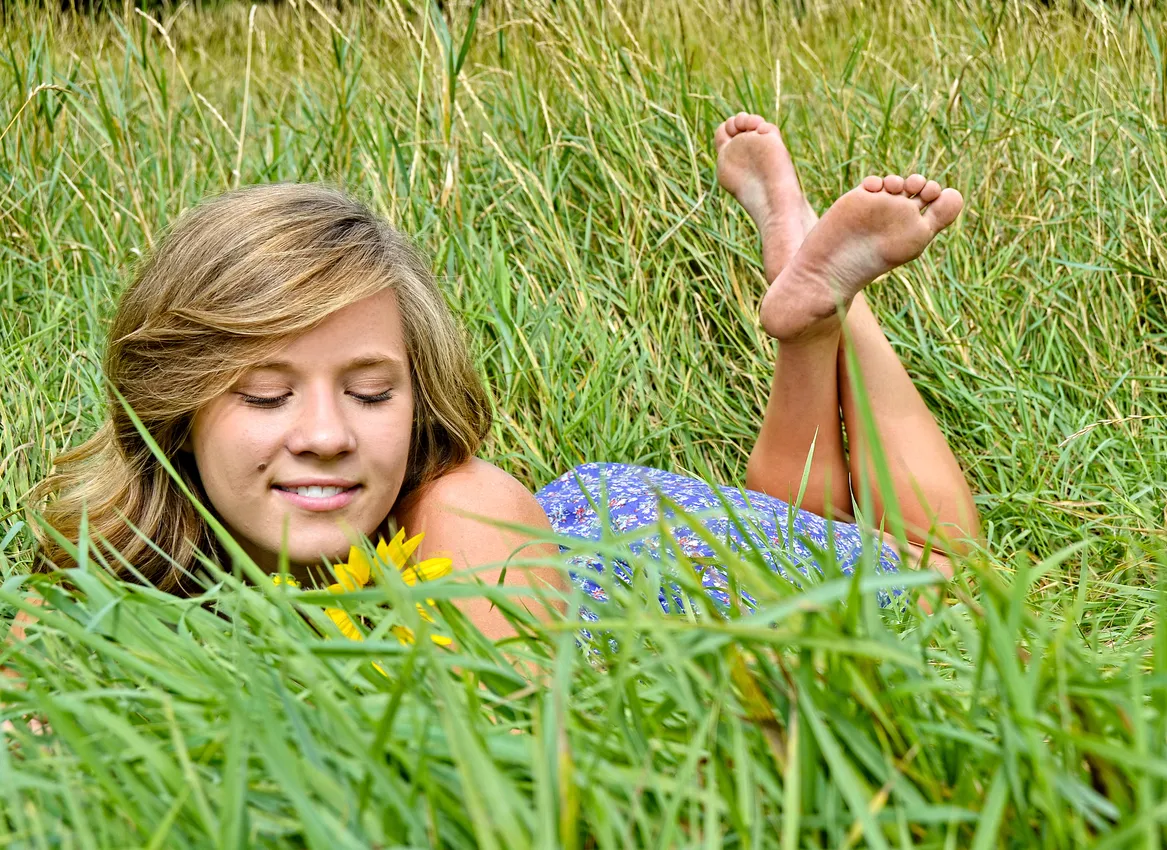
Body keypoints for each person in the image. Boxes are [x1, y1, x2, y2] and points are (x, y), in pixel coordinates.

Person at [30, 112, 977, 641]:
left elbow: (506, 768)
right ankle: (802, 308)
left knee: (941, 573)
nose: (325, 432)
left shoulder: (456, 516)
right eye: (267, 395)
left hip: (639, 551)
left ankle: (835, 307)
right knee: (806, 516)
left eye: (370, 392)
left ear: (419, 395)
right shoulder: (131, 553)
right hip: (597, 537)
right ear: (174, 406)